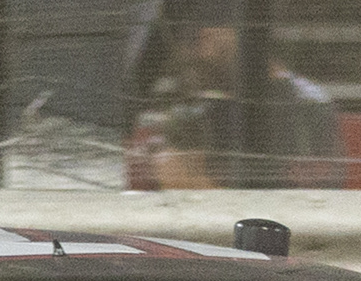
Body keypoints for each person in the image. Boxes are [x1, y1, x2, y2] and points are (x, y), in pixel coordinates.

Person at [149, 19, 348, 189]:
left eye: (200, 39)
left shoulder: (307, 104)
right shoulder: (197, 112)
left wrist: (192, 183)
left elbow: (305, 207)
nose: (197, 54)